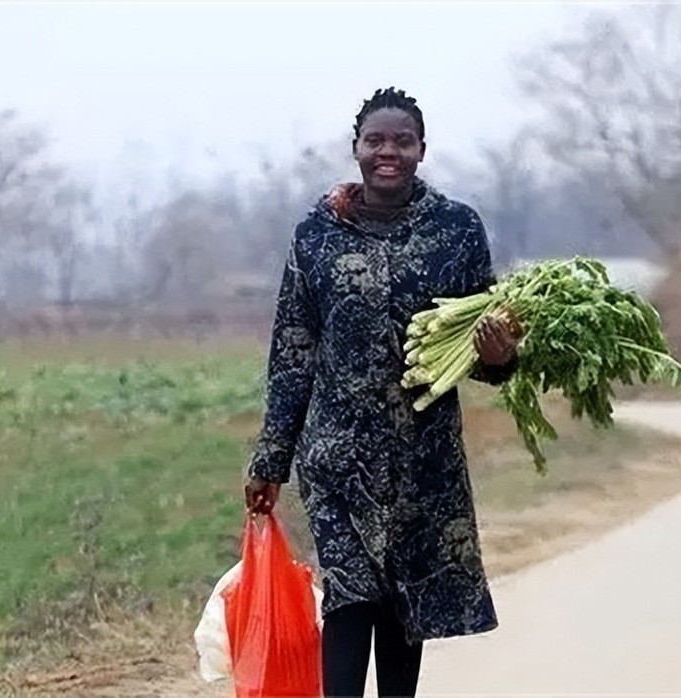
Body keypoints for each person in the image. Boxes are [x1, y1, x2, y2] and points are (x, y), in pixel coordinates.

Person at [243, 86, 522, 698]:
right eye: (376, 141)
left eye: (402, 140)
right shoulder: (316, 236)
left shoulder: (457, 230)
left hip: (424, 458)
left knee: (404, 605)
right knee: (347, 596)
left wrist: (500, 358)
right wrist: (272, 459)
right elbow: (293, 349)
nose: (388, 151)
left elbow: (482, 343)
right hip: (337, 457)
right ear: (356, 149)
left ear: (422, 150)